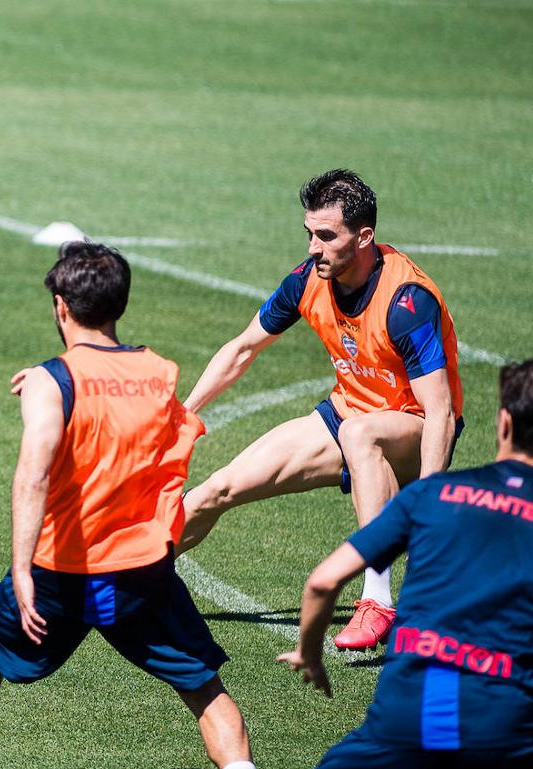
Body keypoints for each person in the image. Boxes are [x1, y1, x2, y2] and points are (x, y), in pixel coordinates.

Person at [0, 243, 254, 769]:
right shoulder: (159, 373)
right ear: (119, 306)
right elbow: (126, 414)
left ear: (60, 307)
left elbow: (34, 476)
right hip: (142, 567)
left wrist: (23, 571)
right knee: (206, 691)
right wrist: (53, 383)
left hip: (63, 568)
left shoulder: (54, 381)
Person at [176, 169, 464, 650]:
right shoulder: (308, 279)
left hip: (413, 430)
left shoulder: (407, 301)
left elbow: (440, 413)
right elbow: (243, 349)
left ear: (365, 236)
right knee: (216, 490)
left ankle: (377, 599)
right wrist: (184, 415)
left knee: (361, 435)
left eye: (327, 236)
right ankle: (127, 572)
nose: (314, 247)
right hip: (346, 413)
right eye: (309, 233)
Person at [279, 358, 533, 769]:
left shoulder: (434, 494)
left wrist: (309, 654)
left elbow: (323, 582)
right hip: (507, 721)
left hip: (416, 706)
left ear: (504, 423)